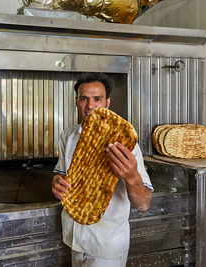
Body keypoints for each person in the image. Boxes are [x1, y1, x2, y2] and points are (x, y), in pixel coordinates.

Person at [51, 73, 153, 267]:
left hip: (106, 246)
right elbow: (62, 174)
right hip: (73, 238)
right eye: (84, 99)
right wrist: (56, 182)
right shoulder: (68, 136)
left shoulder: (125, 144)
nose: (90, 106)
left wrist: (131, 177)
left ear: (107, 103)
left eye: (97, 99)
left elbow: (144, 204)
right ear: (77, 102)